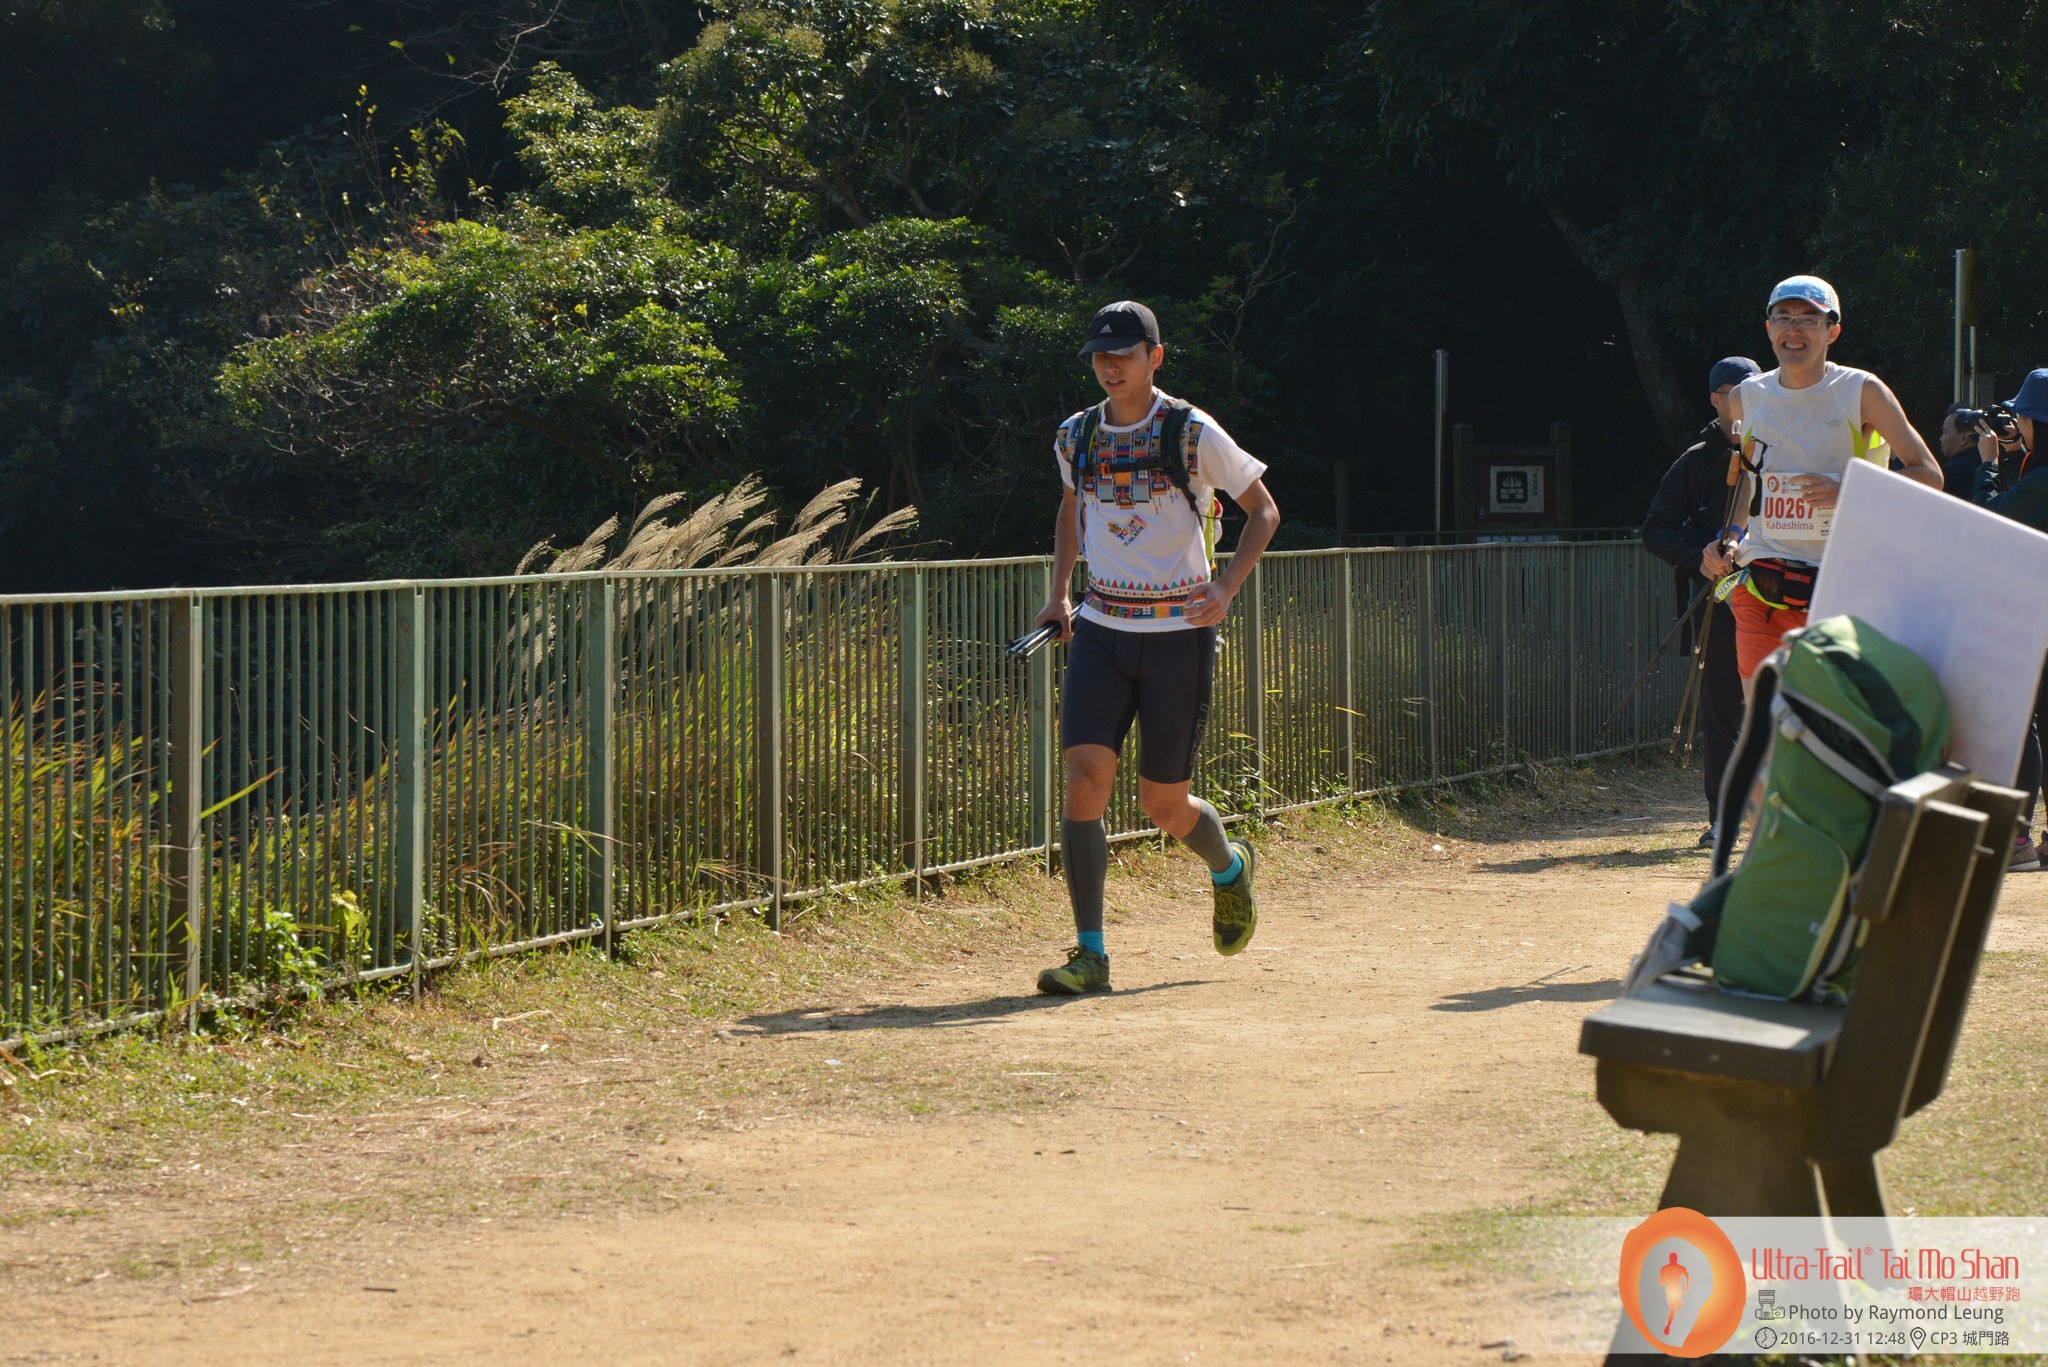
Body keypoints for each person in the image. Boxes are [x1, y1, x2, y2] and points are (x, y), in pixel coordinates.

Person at [1030, 300, 1281, 994]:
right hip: (1102, 629)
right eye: (1100, 356)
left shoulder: (1191, 431)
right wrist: (1059, 592)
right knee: (1085, 778)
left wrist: (1226, 586)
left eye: (1124, 354)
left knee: (1164, 807)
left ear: (1155, 357)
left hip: (1179, 638)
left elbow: (1264, 510)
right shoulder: (1076, 435)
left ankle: (1229, 867)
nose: (1110, 366)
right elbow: (1071, 508)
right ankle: (1090, 954)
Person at [1721, 276, 1944, 685]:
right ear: (1768, 328)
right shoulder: (1745, 397)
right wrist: (1731, 538)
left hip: (1846, 583)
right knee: (1762, 711)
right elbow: (1750, 483)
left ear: (1832, 332)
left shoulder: (1862, 390)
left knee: (1834, 712)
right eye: (1784, 317)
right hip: (1763, 580)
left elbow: (1929, 475)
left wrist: (1850, 492)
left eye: (1809, 319)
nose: (1794, 330)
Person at [1640, 357, 1755, 847]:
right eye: (1734, 392)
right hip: (1721, 600)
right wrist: (1701, 557)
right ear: (1714, 399)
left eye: (1755, 390)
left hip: (1784, 593)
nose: (1745, 401)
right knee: (1724, 710)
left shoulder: (1785, 450)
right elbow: (1656, 530)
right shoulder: (1695, 462)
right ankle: (1724, 819)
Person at [1964, 367, 2048, 871]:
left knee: (2018, 720)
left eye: (2026, 416)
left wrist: (1989, 464)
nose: (2018, 421)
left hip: (2031, 614)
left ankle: (2015, 838)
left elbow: (1987, 520)